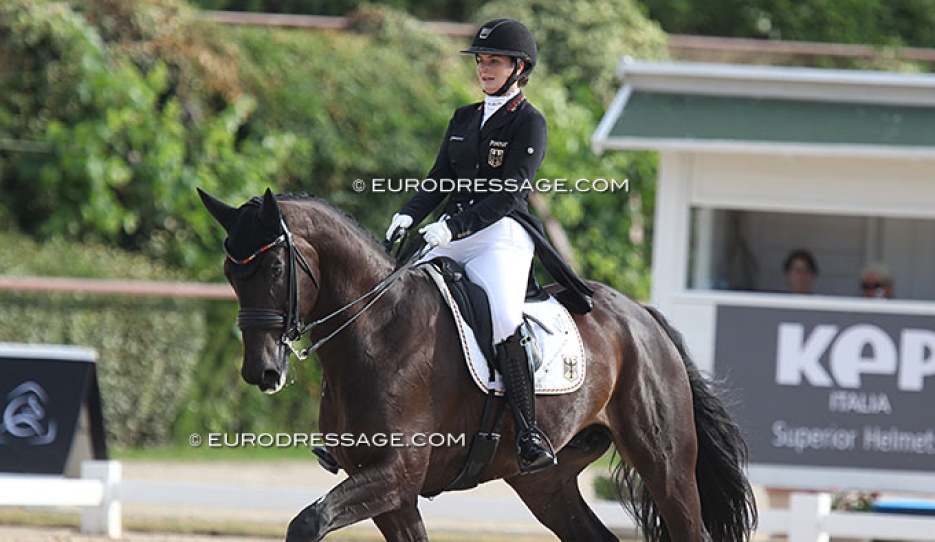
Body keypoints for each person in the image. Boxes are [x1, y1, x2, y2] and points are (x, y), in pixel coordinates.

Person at [384, 19, 592, 474]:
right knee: (394, 298)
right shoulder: (463, 118)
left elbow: (509, 192)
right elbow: (439, 178)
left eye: (493, 61)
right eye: (481, 61)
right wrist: (409, 213)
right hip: (452, 232)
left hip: (500, 235)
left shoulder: (529, 123)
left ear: (519, 67)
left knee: (503, 315)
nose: (484, 68)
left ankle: (528, 430)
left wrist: (453, 227)